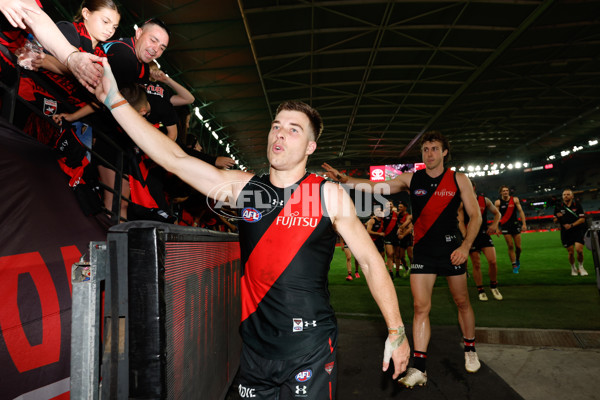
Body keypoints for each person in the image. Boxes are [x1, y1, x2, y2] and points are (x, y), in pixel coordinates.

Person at [94, 58, 410, 399]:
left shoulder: (327, 194)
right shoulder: (248, 190)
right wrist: (114, 99)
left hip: (311, 349)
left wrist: (396, 331)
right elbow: (175, 159)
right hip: (255, 350)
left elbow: (369, 261)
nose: (280, 133)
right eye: (277, 125)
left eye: (293, 129)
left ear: (309, 147)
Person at [323, 130, 482, 388]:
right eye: (425, 149)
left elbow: (476, 216)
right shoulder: (412, 178)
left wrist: (465, 246)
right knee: (420, 308)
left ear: (444, 152)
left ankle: (470, 348)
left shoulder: (458, 179)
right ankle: (419, 368)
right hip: (422, 253)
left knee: (462, 301)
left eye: (434, 149)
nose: (429, 153)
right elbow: (378, 186)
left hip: (453, 250)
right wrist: (345, 179)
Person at [0, 0, 104, 91]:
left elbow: (36, 20)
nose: (110, 30)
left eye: (114, 27)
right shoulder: (70, 29)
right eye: (105, 21)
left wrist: (72, 58)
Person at [462, 182, 502, 301]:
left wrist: (495, 225)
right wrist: (465, 235)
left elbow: (497, 213)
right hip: (470, 236)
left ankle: (494, 286)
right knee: (476, 264)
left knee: (493, 261)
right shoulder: (461, 201)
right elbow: (459, 219)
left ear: (473, 187)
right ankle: (481, 290)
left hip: (484, 234)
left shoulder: (484, 200)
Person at [554, 188, 588, 276]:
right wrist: (558, 217)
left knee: (579, 250)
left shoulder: (577, 205)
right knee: (570, 252)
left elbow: (582, 220)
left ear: (572, 196)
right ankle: (573, 267)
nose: (566, 196)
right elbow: (555, 220)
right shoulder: (558, 206)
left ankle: (581, 266)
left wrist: (571, 225)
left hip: (578, 230)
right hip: (566, 232)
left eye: (568, 194)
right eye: (564, 195)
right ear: (562, 196)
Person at [495, 185, 527, 273]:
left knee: (518, 247)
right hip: (505, 226)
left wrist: (524, 224)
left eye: (507, 190)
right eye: (504, 191)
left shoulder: (515, 200)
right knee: (510, 245)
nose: (505, 192)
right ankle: (514, 265)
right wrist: (497, 228)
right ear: (500, 192)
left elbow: (521, 211)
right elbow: (497, 215)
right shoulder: (498, 202)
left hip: (515, 225)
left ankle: (517, 259)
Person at [396, 200, 413, 278]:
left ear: (405, 208)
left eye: (401, 207)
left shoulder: (408, 216)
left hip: (407, 237)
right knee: (401, 256)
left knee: (410, 256)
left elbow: (410, 228)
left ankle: (414, 270)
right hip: (400, 238)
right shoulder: (398, 215)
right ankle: (407, 268)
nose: (399, 208)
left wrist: (403, 235)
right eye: (398, 206)